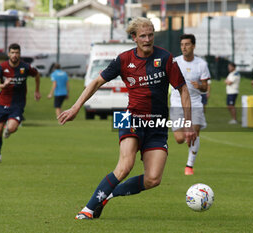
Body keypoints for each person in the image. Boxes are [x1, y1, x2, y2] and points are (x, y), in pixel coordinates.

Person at [58, 17, 196, 220]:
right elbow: (96, 82)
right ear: (134, 38)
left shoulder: (166, 58)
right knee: (125, 166)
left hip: (157, 123)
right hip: (128, 117)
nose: (148, 39)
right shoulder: (123, 59)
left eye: (150, 35)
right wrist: (76, 107)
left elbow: (183, 90)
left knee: (153, 179)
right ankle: (87, 209)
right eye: (143, 36)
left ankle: (108, 195)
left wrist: (188, 123)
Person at [0, 43, 41, 164]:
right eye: (12, 52)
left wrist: (37, 90)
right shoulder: (2, 67)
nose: (14, 55)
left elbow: (37, 74)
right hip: (2, 102)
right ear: (8, 54)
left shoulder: (26, 67)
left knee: (12, 128)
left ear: (20, 54)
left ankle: (8, 130)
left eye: (16, 53)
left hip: (17, 104)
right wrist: (3, 85)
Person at [169, 34, 210, 175]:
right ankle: (185, 135)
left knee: (195, 133)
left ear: (193, 46)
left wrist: (199, 86)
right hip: (176, 102)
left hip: (195, 102)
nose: (184, 47)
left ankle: (189, 166)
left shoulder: (201, 64)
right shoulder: (175, 62)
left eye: (187, 44)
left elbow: (205, 88)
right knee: (180, 139)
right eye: (182, 45)